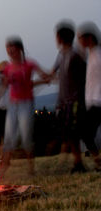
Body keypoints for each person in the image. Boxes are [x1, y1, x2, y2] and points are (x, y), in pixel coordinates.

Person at [0, 36, 49, 178]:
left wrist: (48, 78)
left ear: (19, 49)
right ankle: (4, 168)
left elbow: (42, 76)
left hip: (26, 104)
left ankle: (31, 168)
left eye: (12, 49)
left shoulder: (29, 64)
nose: (10, 52)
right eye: (8, 50)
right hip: (13, 104)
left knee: (26, 136)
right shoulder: (8, 68)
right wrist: (4, 80)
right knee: (9, 137)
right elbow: (4, 85)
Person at [49, 20, 87, 173]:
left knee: (74, 133)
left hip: (74, 101)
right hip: (63, 101)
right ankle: (78, 163)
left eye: (56, 36)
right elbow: (51, 74)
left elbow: (82, 79)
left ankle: (80, 163)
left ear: (61, 37)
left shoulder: (75, 55)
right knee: (70, 134)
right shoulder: (61, 55)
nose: (55, 39)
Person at [77, 21, 101, 171]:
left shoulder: (98, 54)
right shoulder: (91, 53)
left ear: (89, 38)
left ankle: (98, 161)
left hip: (99, 100)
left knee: (85, 132)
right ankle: (98, 161)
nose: (79, 42)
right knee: (86, 132)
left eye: (81, 38)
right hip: (91, 100)